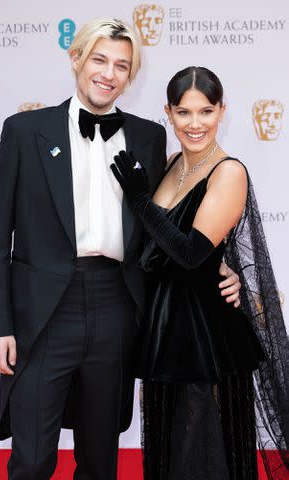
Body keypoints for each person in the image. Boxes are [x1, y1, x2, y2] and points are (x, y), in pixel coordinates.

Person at [0, 20, 241, 480]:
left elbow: (175, 224)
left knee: (101, 460)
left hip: (118, 307)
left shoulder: (148, 137)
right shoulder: (23, 131)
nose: (109, 74)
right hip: (42, 313)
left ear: (131, 76)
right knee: (33, 457)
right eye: (99, 60)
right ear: (76, 58)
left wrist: (222, 269)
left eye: (122, 65)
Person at [111, 66, 289, 479]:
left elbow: (191, 253)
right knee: (171, 453)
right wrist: (222, 265)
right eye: (184, 112)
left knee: (204, 457)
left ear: (222, 112)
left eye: (206, 111)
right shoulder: (172, 163)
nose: (195, 124)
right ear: (168, 113)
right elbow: (159, 247)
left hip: (205, 335)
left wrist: (139, 201)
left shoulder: (229, 172)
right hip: (164, 329)